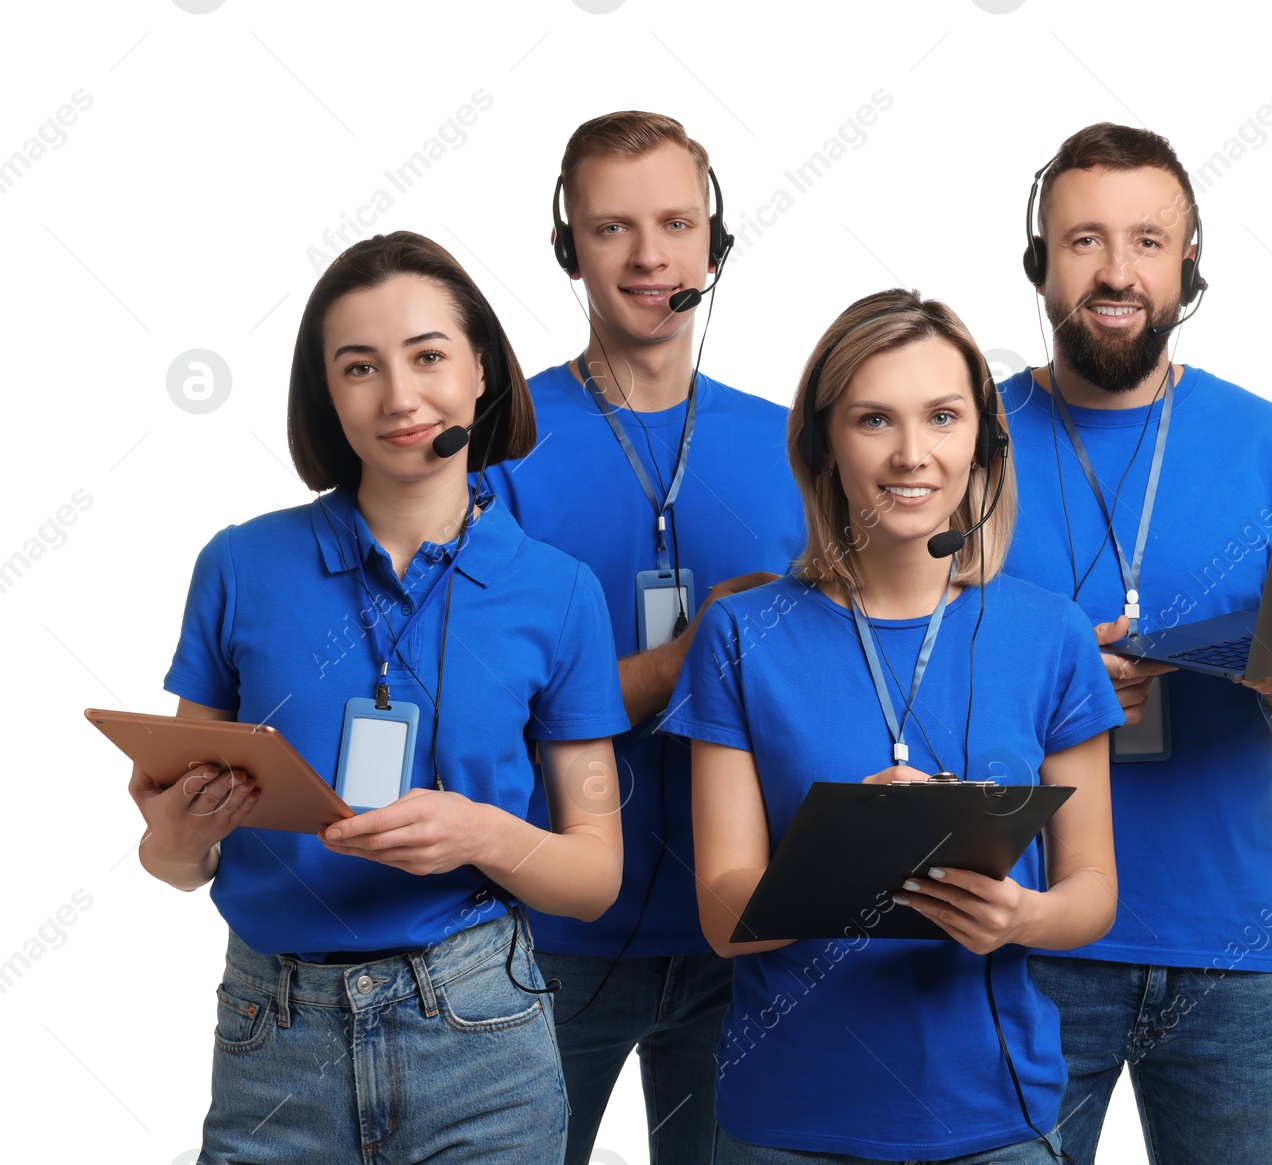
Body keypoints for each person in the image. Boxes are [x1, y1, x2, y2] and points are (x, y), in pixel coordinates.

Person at [129, 231, 631, 1164]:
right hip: (270, 1037)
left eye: (429, 356)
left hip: (481, 1032)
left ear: (481, 367)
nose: (400, 397)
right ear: (327, 392)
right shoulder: (239, 564)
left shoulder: (560, 592)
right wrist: (180, 835)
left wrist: (483, 833)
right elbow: (169, 859)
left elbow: (595, 876)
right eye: (359, 367)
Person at [996, 123, 1272, 1164]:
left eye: (1147, 239)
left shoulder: (1271, 443)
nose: (1116, 270)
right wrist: (1046, 689)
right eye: (1083, 239)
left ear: (1188, 263)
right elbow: (896, 672)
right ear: (1038, 259)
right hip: (1025, 936)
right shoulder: (967, 444)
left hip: (1231, 946)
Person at [659, 289, 1124, 1165]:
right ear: (824, 445)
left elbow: (1093, 887)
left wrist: (1019, 915)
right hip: (785, 1122)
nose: (913, 454)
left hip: (996, 1119)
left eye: (943, 417)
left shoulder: (1050, 631)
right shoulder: (741, 633)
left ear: (982, 442)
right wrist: (842, 851)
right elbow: (723, 916)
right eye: (875, 419)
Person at [479, 111, 804, 1165]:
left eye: (676, 222)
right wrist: (687, 657)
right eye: (613, 227)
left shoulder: (798, 443)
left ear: (717, 244)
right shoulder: (497, 443)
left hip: (747, 932)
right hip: (546, 939)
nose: (651, 255)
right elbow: (489, 720)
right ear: (568, 245)